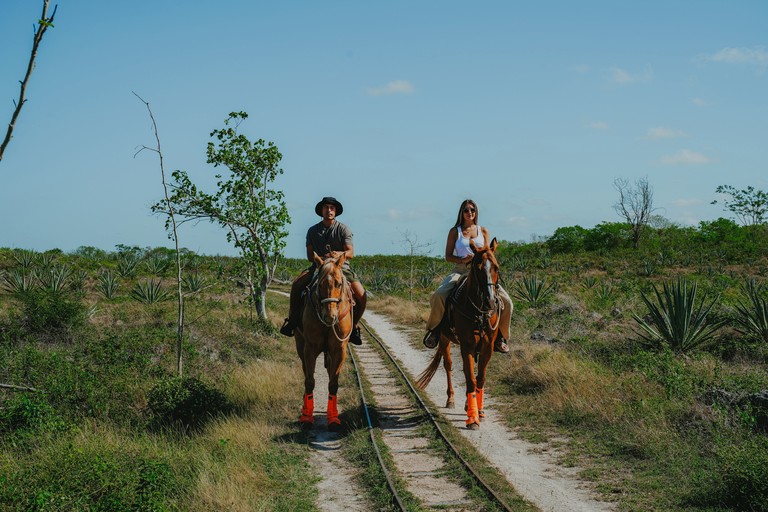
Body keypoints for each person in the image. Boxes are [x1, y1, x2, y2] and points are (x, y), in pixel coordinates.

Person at [423, 199, 512, 353]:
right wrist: (462, 260)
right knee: (439, 295)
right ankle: (435, 330)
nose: (469, 212)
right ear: (461, 213)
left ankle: (500, 337)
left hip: (481, 272)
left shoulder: (483, 231)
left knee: (507, 302)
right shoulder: (455, 231)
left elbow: (488, 253)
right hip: (460, 270)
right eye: (466, 210)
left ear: (476, 212)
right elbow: (448, 256)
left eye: (472, 210)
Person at [280, 196, 367, 345]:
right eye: (326, 207)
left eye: (332, 208)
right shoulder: (312, 231)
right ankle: (293, 321)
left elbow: (350, 253)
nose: (329, 210)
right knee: (297, 285)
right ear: (321, 211)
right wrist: (321, 259)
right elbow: (310, 255)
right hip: (318, 267)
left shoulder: (343, 229)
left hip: (341, 268)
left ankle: (354, 327)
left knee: (361, 294)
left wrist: (337, 254)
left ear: (336, 211)